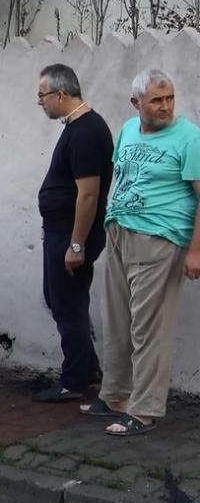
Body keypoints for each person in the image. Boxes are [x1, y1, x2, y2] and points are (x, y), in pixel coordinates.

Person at [83, 70, 200, 436]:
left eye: (169, 99)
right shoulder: (128, 130)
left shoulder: (190, 137)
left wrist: (195, 251)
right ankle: (115, 395)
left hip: (160, 238)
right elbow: (123, 176)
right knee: (116, 319)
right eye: (156, 100)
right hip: (120, 233)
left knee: (149, 327)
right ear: (136, 103)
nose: (165, 106)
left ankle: (145, 410)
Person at [34, 64, 114, 403]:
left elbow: (89, 194)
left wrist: (76, 244)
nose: (41, 103)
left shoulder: (86, 132)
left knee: (66, 304)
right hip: (61, 232)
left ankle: (75, 380)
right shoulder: (76, 127)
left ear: (61, 94)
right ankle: (89, 369)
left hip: (71, 235)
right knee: (64, 300)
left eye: (42, 96)